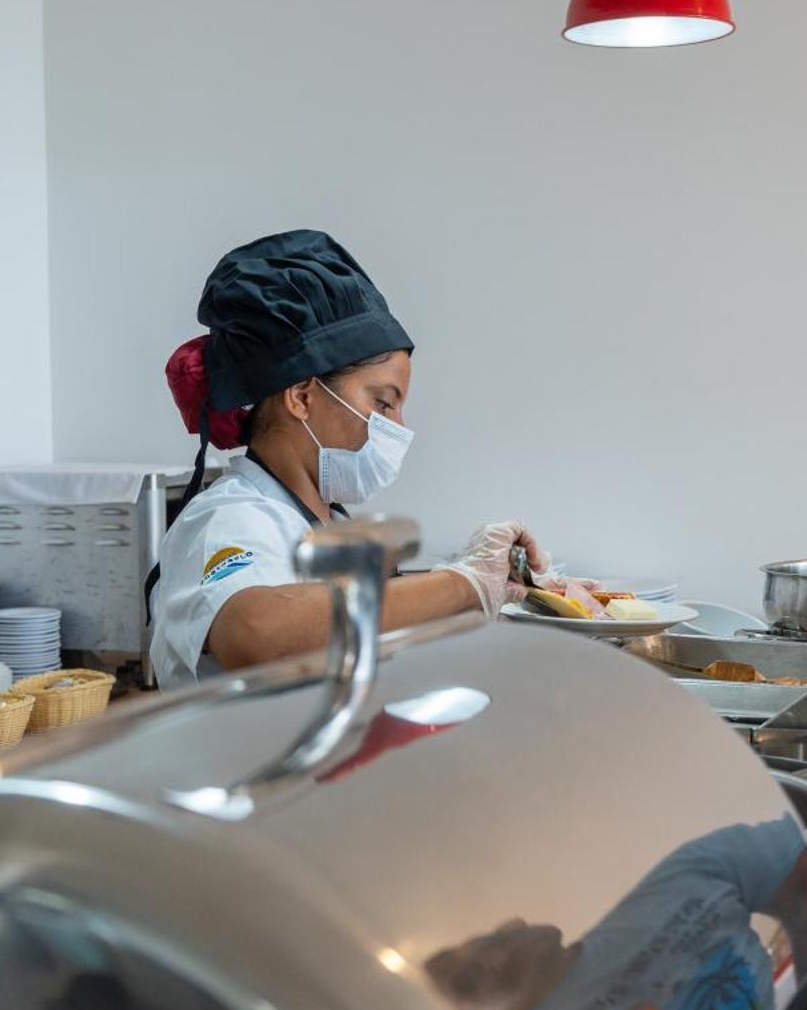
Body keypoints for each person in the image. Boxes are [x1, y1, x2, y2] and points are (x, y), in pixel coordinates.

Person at [147, 228, 547, 690]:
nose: (397, 427)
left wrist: (497, 584)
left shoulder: (326, 521)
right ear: (300, 396)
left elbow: (353, 621)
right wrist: (463, 584)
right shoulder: (229, 517)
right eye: (382, 403)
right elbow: (257, 631)